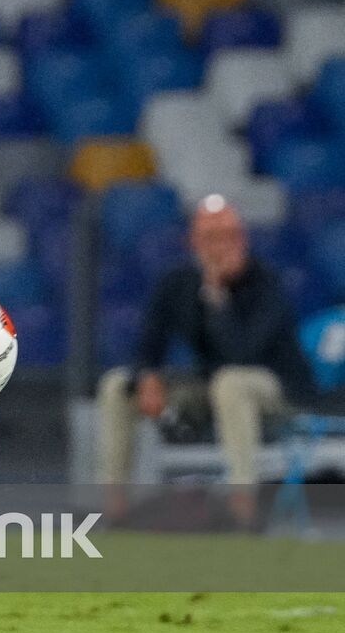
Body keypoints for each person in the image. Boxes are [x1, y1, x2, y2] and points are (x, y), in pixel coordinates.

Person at [96, 194, 313, 523]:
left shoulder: (267, 283)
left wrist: (216, 299)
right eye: (210, 238)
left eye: (228, 237)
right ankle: (113, 505)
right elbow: (147, 345)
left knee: (231, 383)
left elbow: (241, 354)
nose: (219, 247)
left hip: (277, 387)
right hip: (209, 387)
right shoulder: (177, 283)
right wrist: (147, 376)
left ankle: (243, 504)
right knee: (116, 385)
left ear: (242, 239)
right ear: (193, 242)